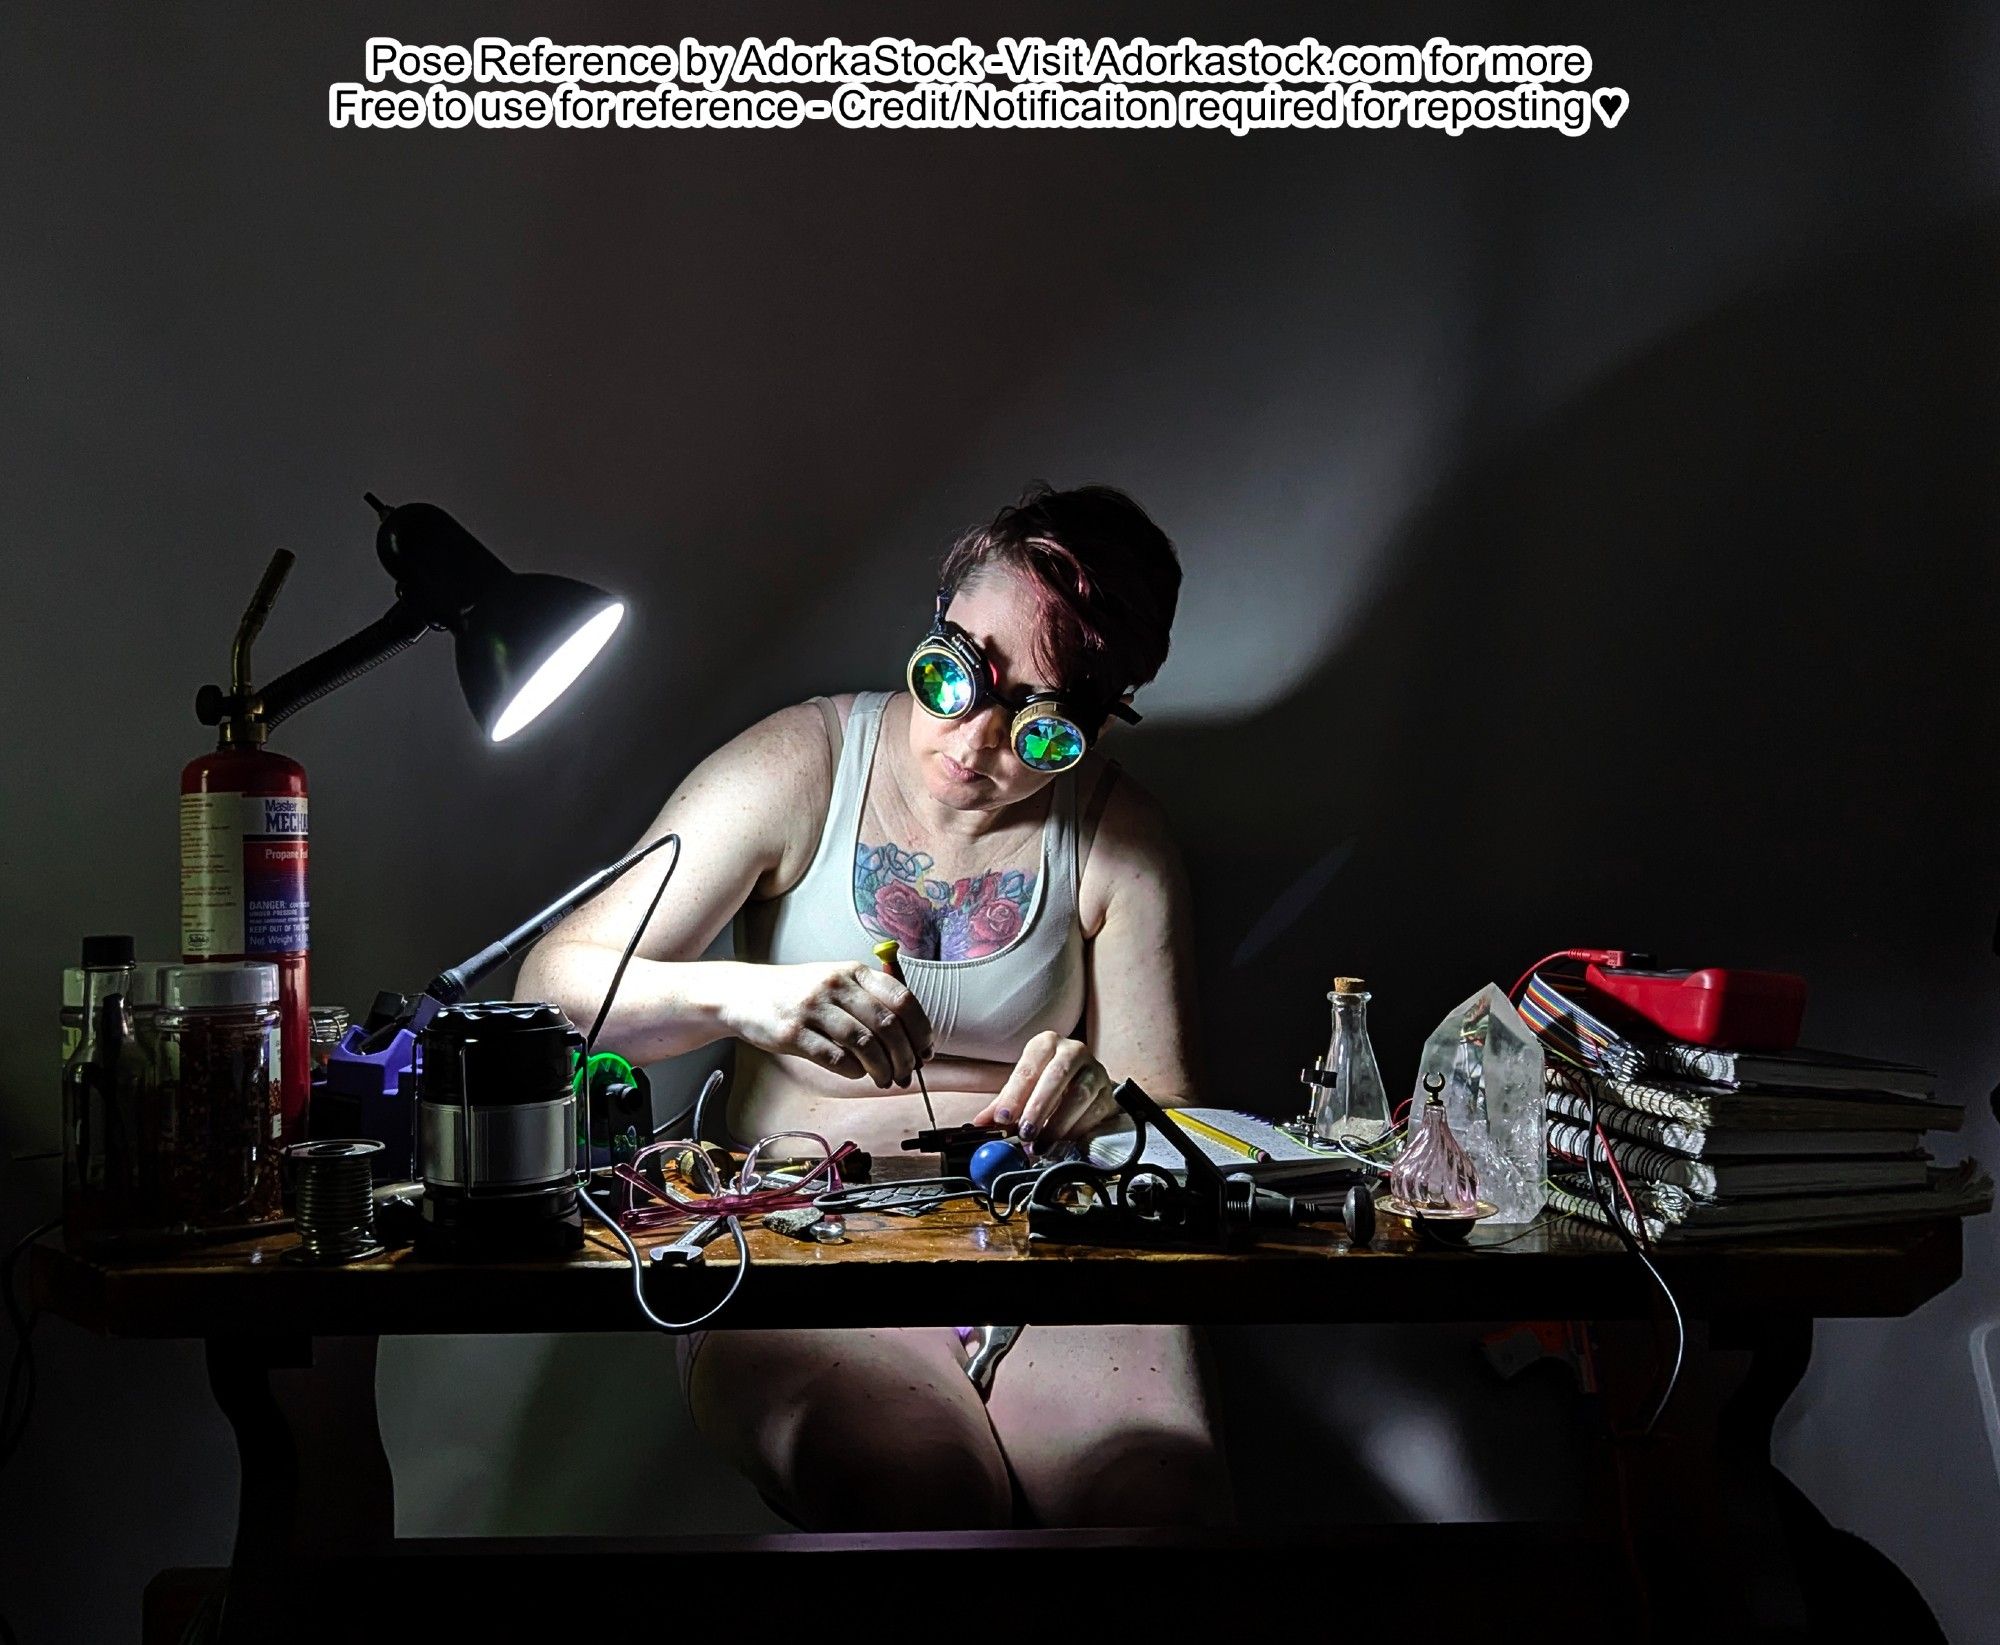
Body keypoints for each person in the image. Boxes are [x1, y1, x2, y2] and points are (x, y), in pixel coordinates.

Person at [519, 483, 1230, 1531]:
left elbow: (1175, 1122)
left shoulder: (1119, 837)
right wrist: (752, 1000)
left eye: (1040, 727)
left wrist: (1106, 1101)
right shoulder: (805, 762)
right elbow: (554, 991)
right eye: (959, 674)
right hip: (810, 1237)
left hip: (1041, 1242)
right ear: (935, 614)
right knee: (916, 1496)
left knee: (1154, 1509)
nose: (977, 740)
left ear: (1096, 721)